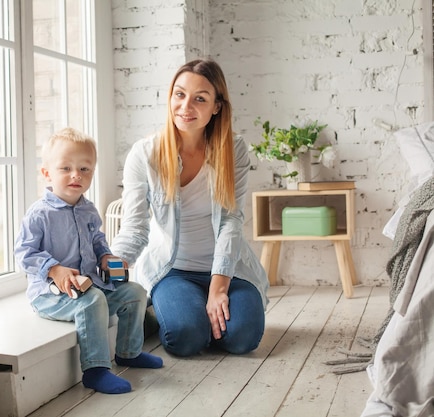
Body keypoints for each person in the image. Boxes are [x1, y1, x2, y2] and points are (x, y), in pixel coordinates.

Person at [110, 58, 270, 357]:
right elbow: (134, 228)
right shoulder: (144, 155)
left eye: (200, 99)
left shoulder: (232, 149)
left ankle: (201, 310)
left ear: (216, 106)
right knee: (186, 339)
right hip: (173, 271)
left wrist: (218, 288)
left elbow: (231, 221)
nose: (186, 106)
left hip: (229, 271)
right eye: (180, 94)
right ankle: (172, 311)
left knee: (242, 340)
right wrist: (109, 267)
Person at [14, 127, 163, 395]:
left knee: (135, 292)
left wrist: (106, 256)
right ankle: (95, 370)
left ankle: (128, 352)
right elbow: (24, 253)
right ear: (47, 173)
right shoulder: (39, 214)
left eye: (85, 169)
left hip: (89, 285)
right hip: (50, 294)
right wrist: (54, 270)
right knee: (92, 301)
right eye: (66, 168)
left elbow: (97, 241)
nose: (76, 175)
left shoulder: (88, 210)